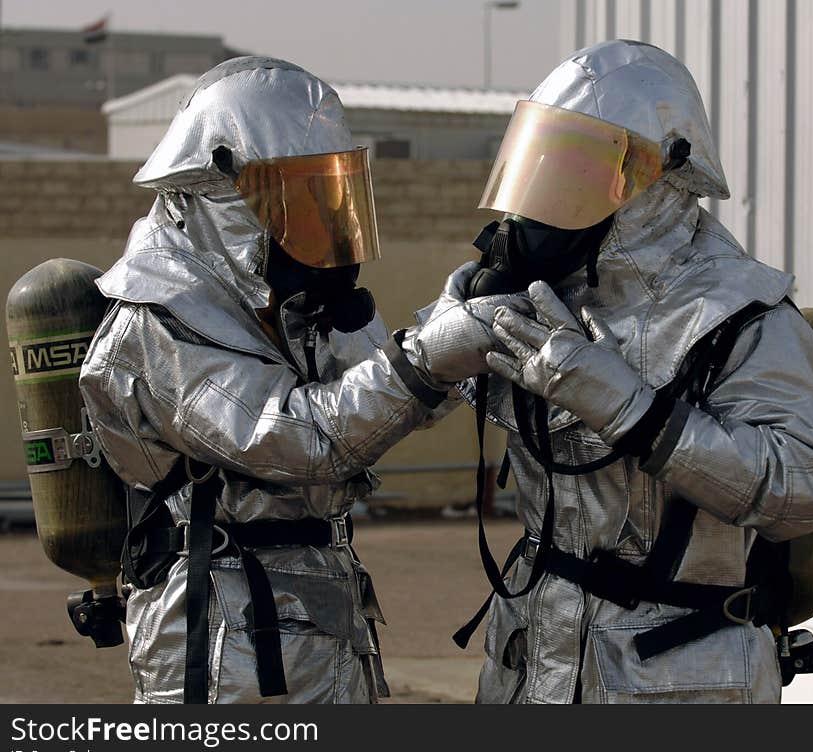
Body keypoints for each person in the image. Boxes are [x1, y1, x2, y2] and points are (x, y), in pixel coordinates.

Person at [78, 56, 518, 704]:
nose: (319, 225)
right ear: (220, 194)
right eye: (294, 199)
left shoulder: (288, 304)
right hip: (226, 652)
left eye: (329, 196)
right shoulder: (155, 321)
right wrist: (428, 355)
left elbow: (391, 403)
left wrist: (463, 316)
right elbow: (302, 438)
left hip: (319, 626)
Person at [453, 40, 813, 704]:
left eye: (581, 170)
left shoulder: (741, 313)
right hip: (536, 663)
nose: (550, 195)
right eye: (547, 164)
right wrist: (439, 336)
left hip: (672, 675)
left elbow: (809, 488)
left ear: (664, 175)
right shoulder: (545, 293)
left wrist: (639, 415)